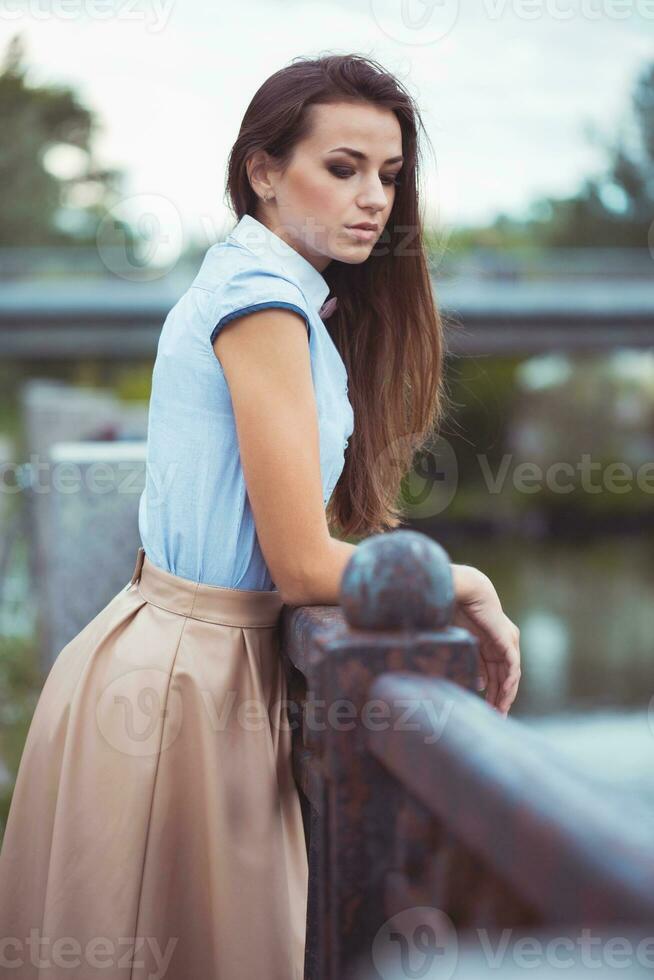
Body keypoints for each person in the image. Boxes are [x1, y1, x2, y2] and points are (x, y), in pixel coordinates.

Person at [0, 53, 521, 979]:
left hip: (179, 666)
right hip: (189, 688)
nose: (375, 200)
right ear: (264, 170)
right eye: (344, 166)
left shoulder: (261, 288)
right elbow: (301, 568)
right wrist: (466, 583)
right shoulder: (263, 304)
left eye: (390, 176)